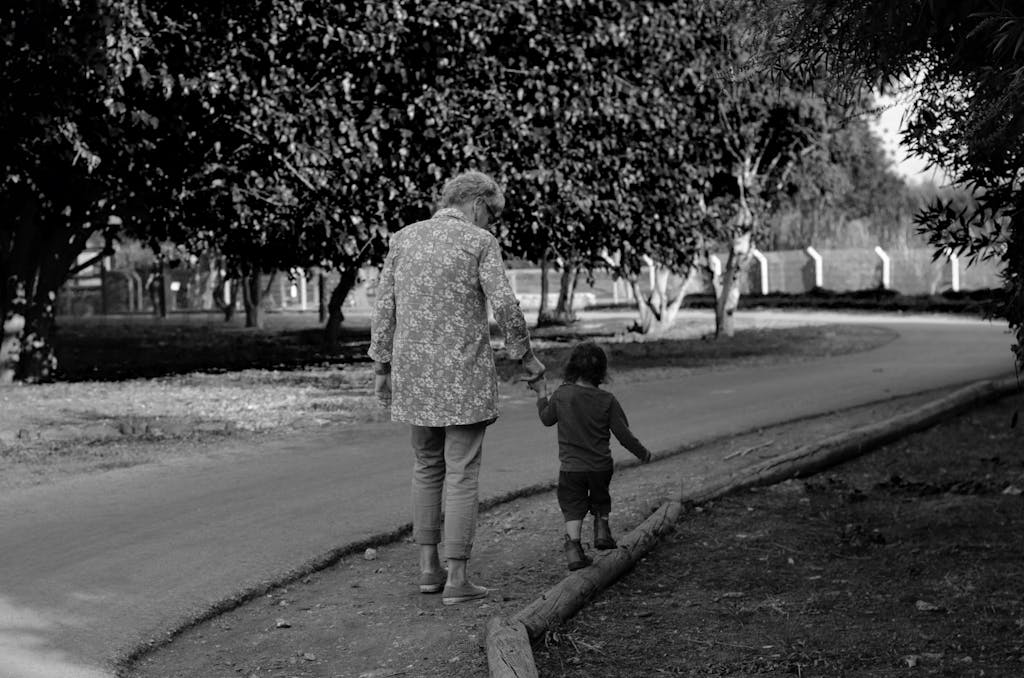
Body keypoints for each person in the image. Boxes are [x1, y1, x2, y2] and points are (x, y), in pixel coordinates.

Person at [368, 170, 545, 605]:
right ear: (479, 204)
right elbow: (504, 304)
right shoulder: (479, 243)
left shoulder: (402, 239)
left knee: (427, 467)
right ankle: (457, 578)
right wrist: (526, 357)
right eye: (493, 215)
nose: (491, 224)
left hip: (414, 378)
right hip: (463, 377)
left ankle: (429, 569)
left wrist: (381, 366)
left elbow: (384, 307)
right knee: (461, 473)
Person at [528, 341, 651, 571]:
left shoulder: (563, 394)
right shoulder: (608, 400)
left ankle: (574, 550)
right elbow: (624, 435)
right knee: (600, 498)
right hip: (600, 467)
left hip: (571, 469)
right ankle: (602, 530)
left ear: (571, 368)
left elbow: (546, 419)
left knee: (573, 506)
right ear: (602, 372)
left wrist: (542, 393)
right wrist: (642, 452)